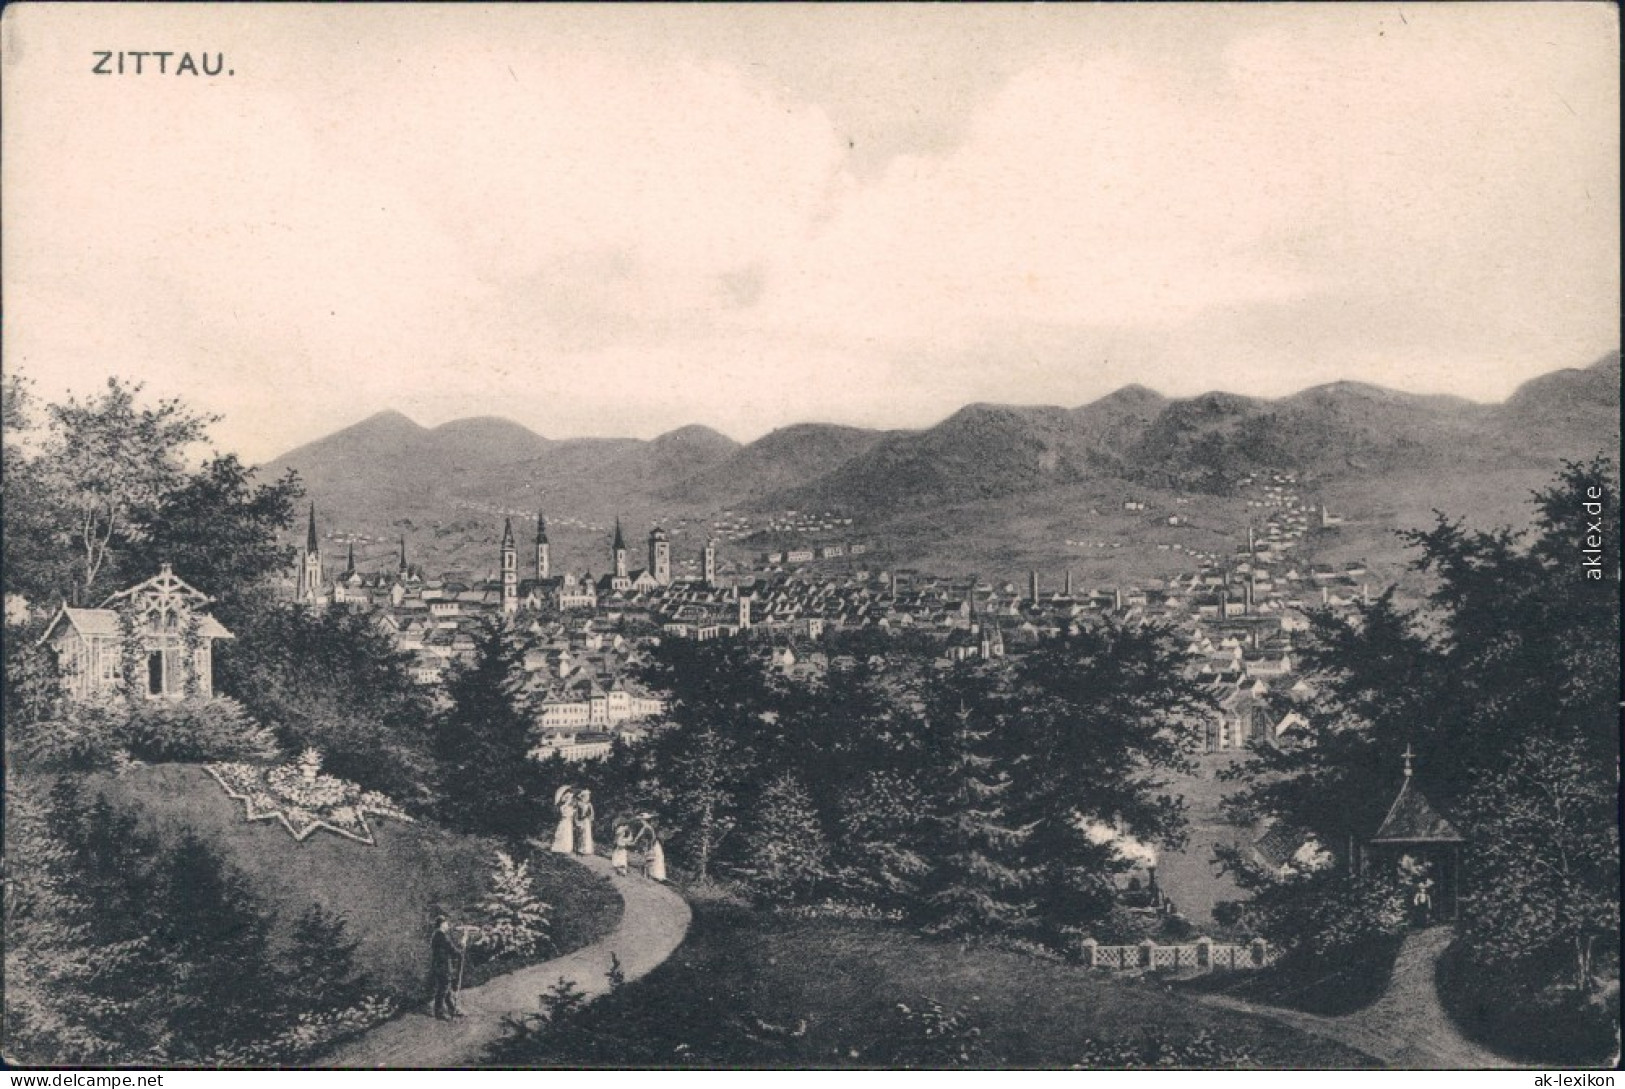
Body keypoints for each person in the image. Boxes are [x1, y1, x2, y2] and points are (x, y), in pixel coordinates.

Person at [429, 914, 464, 1021]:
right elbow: (451, 948)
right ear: (442, 924)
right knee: (443, 988)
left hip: (440, 965)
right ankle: (439, 1012)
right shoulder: (440, 935)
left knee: (446, 988)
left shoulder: (437, 935)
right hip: (441, 966)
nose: (448, 925)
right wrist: (461, 951)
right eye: (446, 923)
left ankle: (452, 1009)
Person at [633, 812, 666, 882]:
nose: (641, 822)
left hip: (652, 844)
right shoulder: (648, 827)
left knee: (652, 859)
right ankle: (652, 875)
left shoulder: (647, 827)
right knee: (653, 859)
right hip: (652, 844)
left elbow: (643, 836)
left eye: (642, 820)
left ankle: (652, 875)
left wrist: (635, 841)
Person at [550, 786, 576, 854]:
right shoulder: (563, 806)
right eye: (569, 798)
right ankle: (558, 847)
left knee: (567, 833)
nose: (570, 799)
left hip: (568, 821)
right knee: (562, 831)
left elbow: (571, 813)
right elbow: (564, 814)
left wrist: (572, 811)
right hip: (564, 820)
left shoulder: (570, 806)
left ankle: (566, 847)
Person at [574, 789, 596, 855]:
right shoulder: (579, 804)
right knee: (581, 834)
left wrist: (590, 818)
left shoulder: (589, 804)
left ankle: (587, 849)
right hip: (581, 820)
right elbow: (576, 813)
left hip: (587, 821)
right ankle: (580, 849)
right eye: (586, 796)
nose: (588, 798)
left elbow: (592, 813)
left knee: (587, 834)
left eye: (588, 797)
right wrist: (577, 821)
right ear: (583, 797)